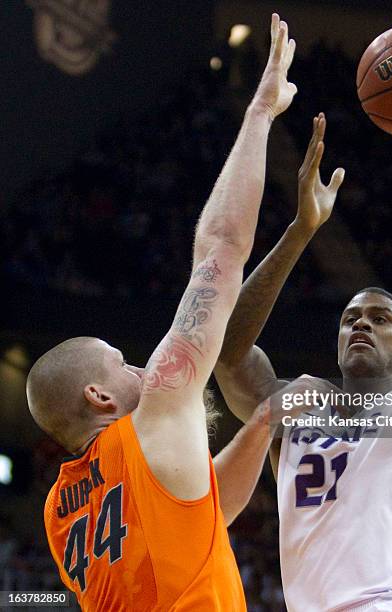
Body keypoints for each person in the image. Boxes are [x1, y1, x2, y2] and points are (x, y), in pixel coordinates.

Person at [215, 15, 392, 612]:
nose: (360, 323)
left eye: (380, 318)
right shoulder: (295, 407)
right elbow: (230, 352)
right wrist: (299, 231)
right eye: (349, 318)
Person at [26, 14, 297, 611]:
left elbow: (203, 512)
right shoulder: (153, 418)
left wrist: (260, 427)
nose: (141, 370)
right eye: (122, 364)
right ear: (100, 396)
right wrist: (260, 114)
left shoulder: (58, 512)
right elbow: (221, 253)